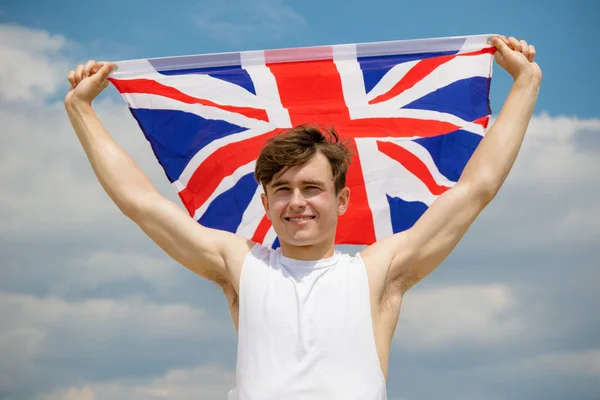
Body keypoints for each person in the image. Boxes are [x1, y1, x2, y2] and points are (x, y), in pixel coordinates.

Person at [65, 35, 541, 399]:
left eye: (312, 188)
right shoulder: (242, 266)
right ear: (267, 202)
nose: (297, 202)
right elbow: (141, 204)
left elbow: (477, 189)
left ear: (343, 200)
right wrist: (81, 110)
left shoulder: (378, 271)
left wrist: (525, 84)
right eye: (282, 190)